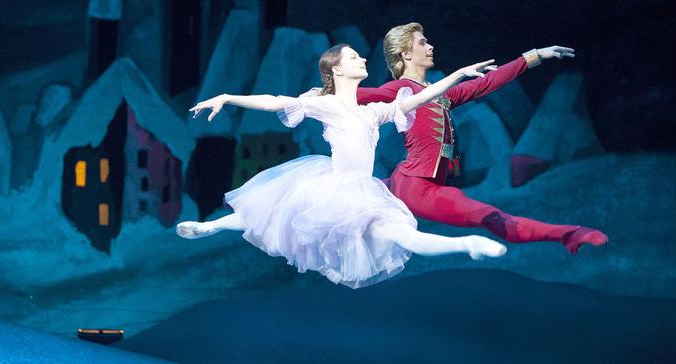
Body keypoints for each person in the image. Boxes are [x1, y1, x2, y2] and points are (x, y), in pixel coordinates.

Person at [176, 44, 506, 289]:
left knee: (401, 234)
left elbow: (414, 101)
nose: (362, 59)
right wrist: (227, 97)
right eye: (353, 57)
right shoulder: (328, 104)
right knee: (272, 211)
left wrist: (458, 75)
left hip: (364, 192)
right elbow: (276, 101)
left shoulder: (371, 112)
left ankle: (467, 245)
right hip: (333, 186)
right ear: (336, 69)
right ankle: (211, 227)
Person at [355, 23, 608, 254]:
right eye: (422, 42)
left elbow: (486, 83)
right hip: (418, 188)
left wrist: (534, 56)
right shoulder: (400, 90)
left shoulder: (439, 94)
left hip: (411, 180)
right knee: (493, 218)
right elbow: (360, 95)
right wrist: (319, 95)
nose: (430, 46)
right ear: (406, 54)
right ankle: (569, 235)